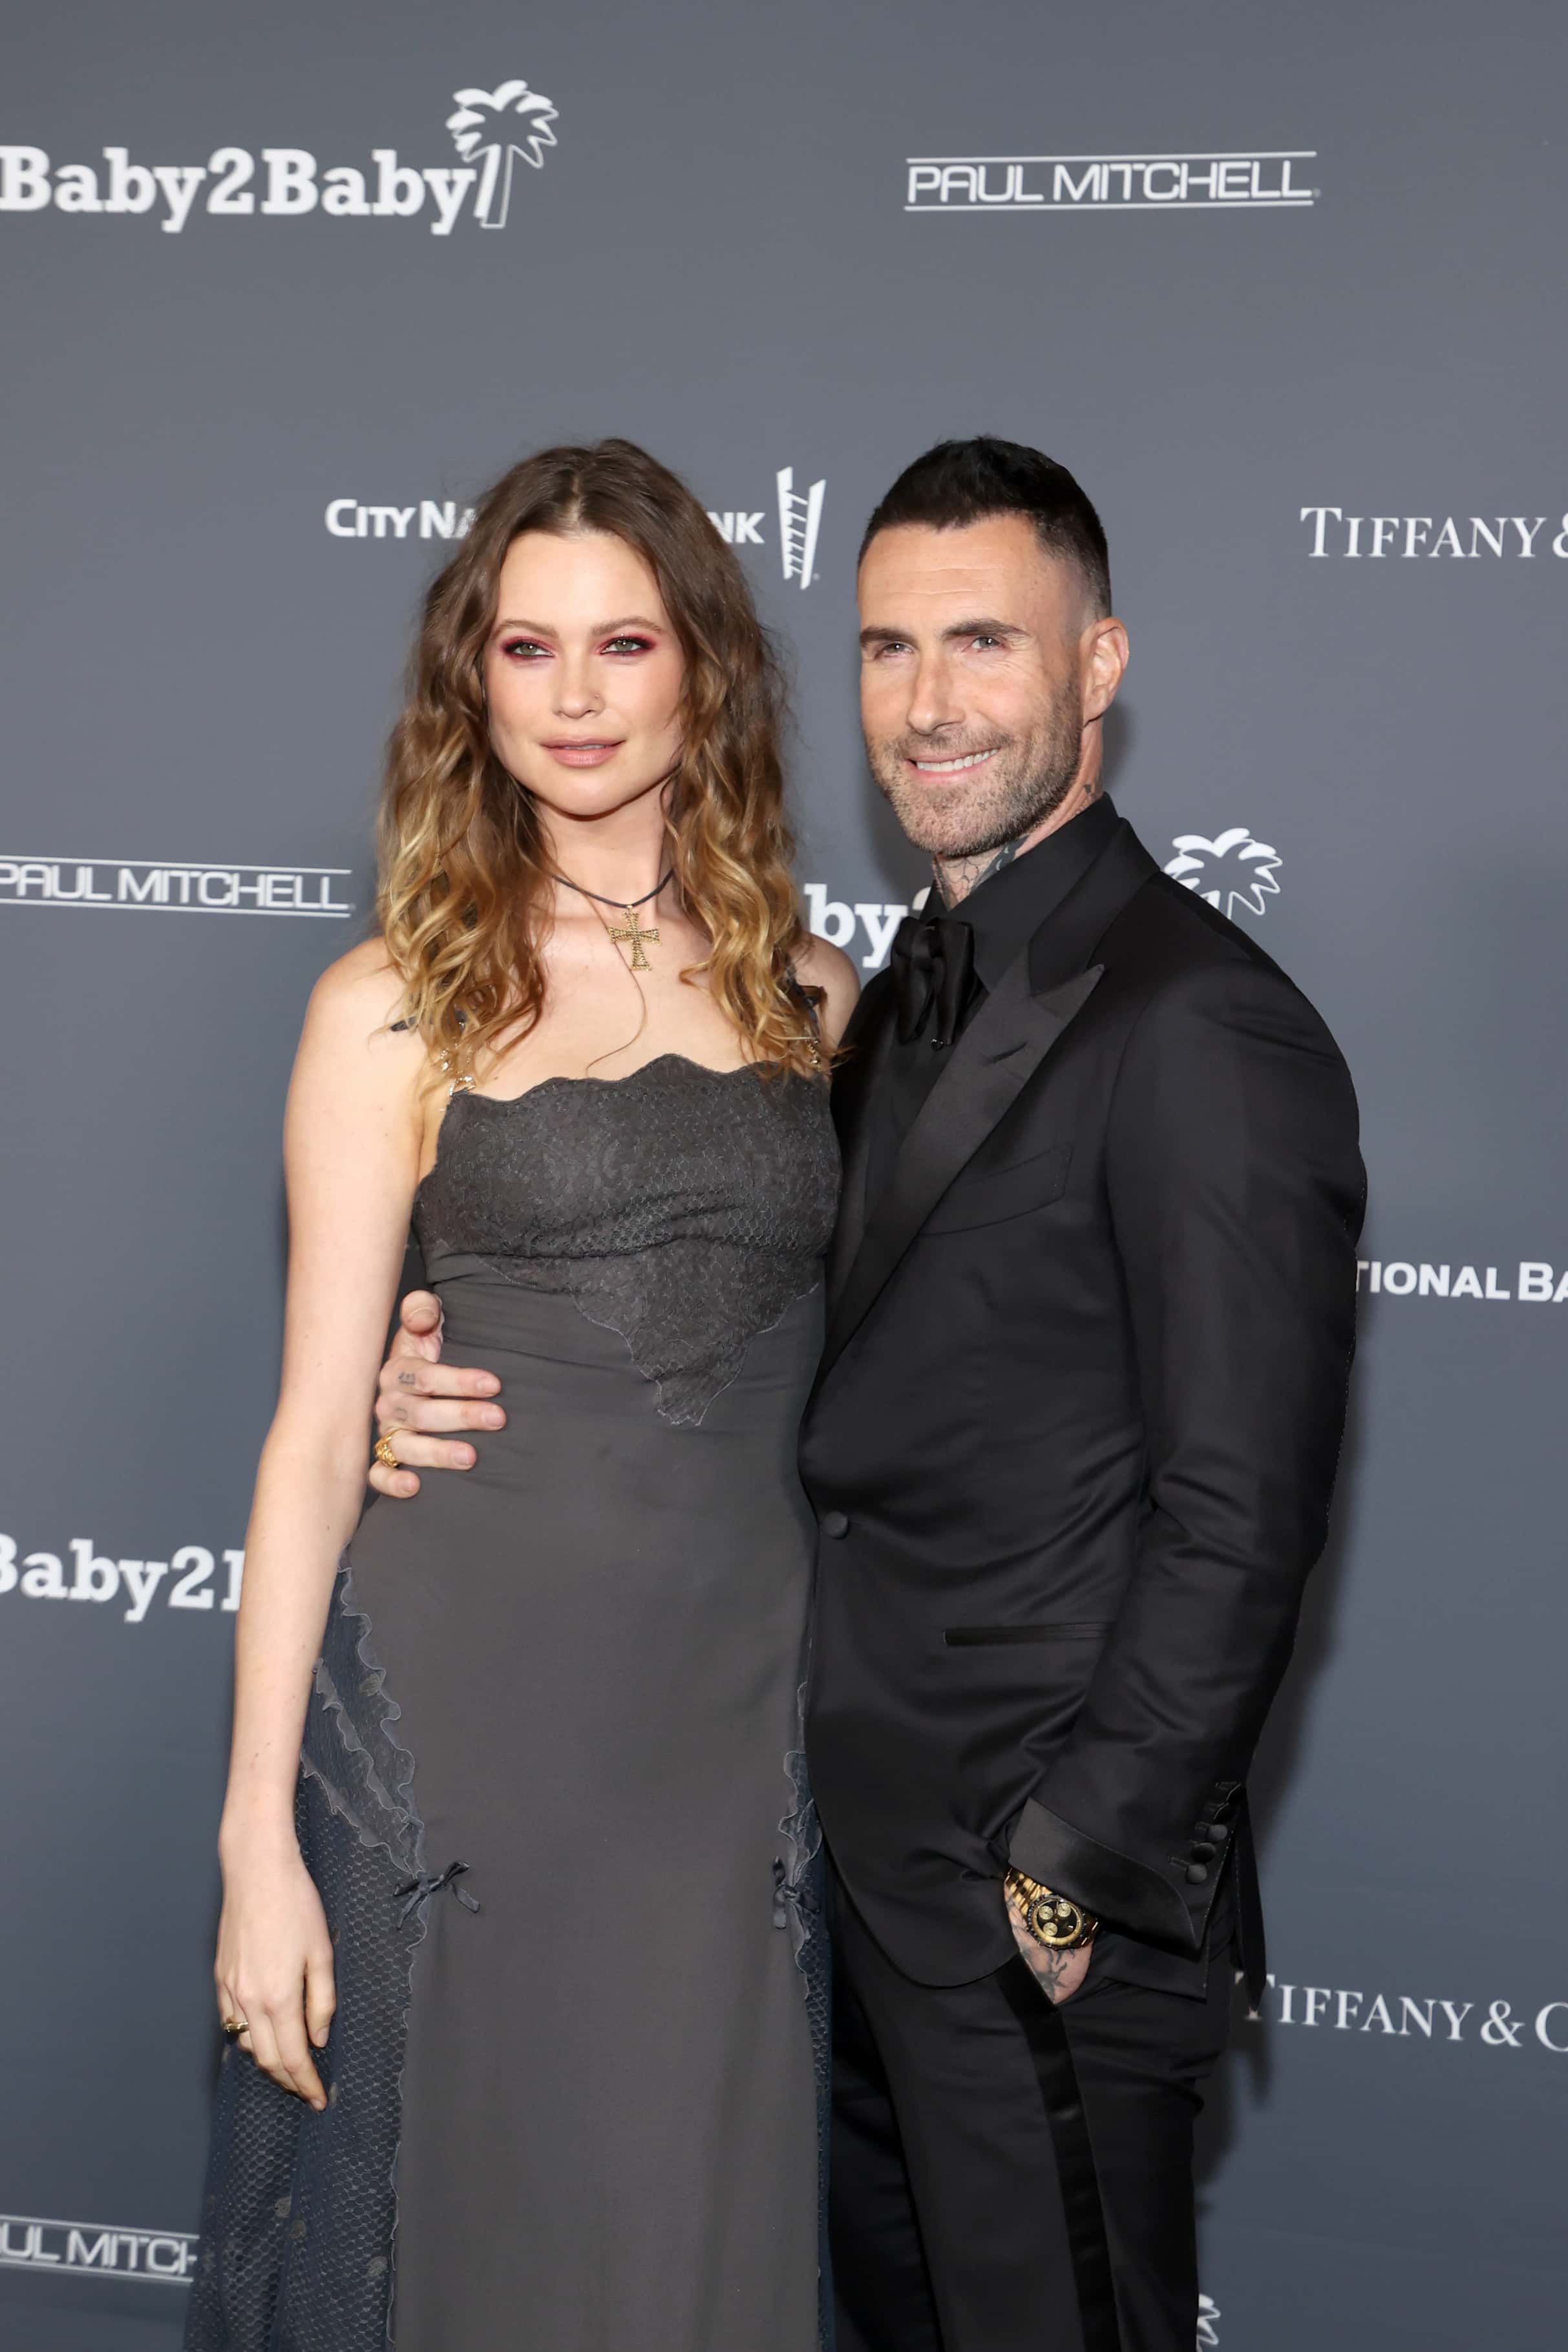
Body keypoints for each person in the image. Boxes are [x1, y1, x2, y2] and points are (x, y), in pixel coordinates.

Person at [368, 436, 1367, 2352]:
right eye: (891, 648)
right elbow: (741, 1339)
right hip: (831, 1873)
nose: (928, 701)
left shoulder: (1197, 1021)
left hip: (1029, 1900)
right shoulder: (876, 999)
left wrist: (1074, 1860)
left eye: (983, 642)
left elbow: (1242, 1513)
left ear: (1098, 666)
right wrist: (390, 1399)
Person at [185, 438, 858, 2352]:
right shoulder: (392, 1003)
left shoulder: (820, 999)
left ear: (701, 672)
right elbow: (319, 1432)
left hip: (736, 1747)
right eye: (526, 646)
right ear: (468, 680)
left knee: (697, 2251)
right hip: (465, 1727)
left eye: (623, 645)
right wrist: (253, 1843)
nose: (574, 697)